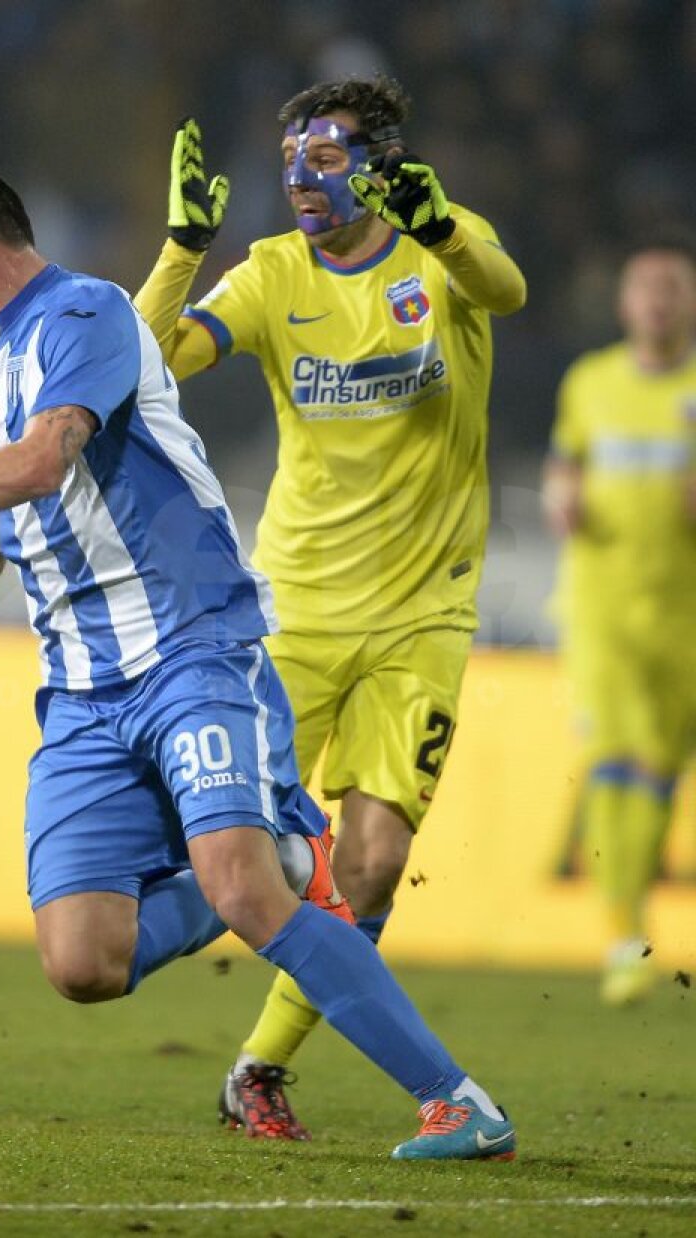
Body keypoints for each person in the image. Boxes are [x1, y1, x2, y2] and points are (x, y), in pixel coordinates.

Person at [0, 155, 516, 1160]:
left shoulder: (89, 318)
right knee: (83, 960)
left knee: (246, 892)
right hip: (80, 687)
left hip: (190, 645)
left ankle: (459, 1101)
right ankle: (273, 853)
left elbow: (37, 461)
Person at [133, 76, 526, 1138]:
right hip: (295, 613)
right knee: (236, 852)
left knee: (377, 856)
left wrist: (440, 225)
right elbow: (146, 361)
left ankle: (258, 1065)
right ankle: (103, 941)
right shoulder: (271, 275)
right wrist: (182, 249)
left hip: (422, 615)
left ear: (381, 166)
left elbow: (507, 289)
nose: (303, 178)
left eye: (328, 156)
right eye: (293, 159)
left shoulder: (442, 256)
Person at [542, 241, 696, 1006]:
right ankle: (623, 934)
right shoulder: (592, 381)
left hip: (683, 612)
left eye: (673, 287)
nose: (659, 300)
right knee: (614, 755)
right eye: (647, 287)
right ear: (626, 303)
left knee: (660, 770)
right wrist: (561, 497)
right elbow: (563, 464)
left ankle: (630, 921)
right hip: (600, 603)